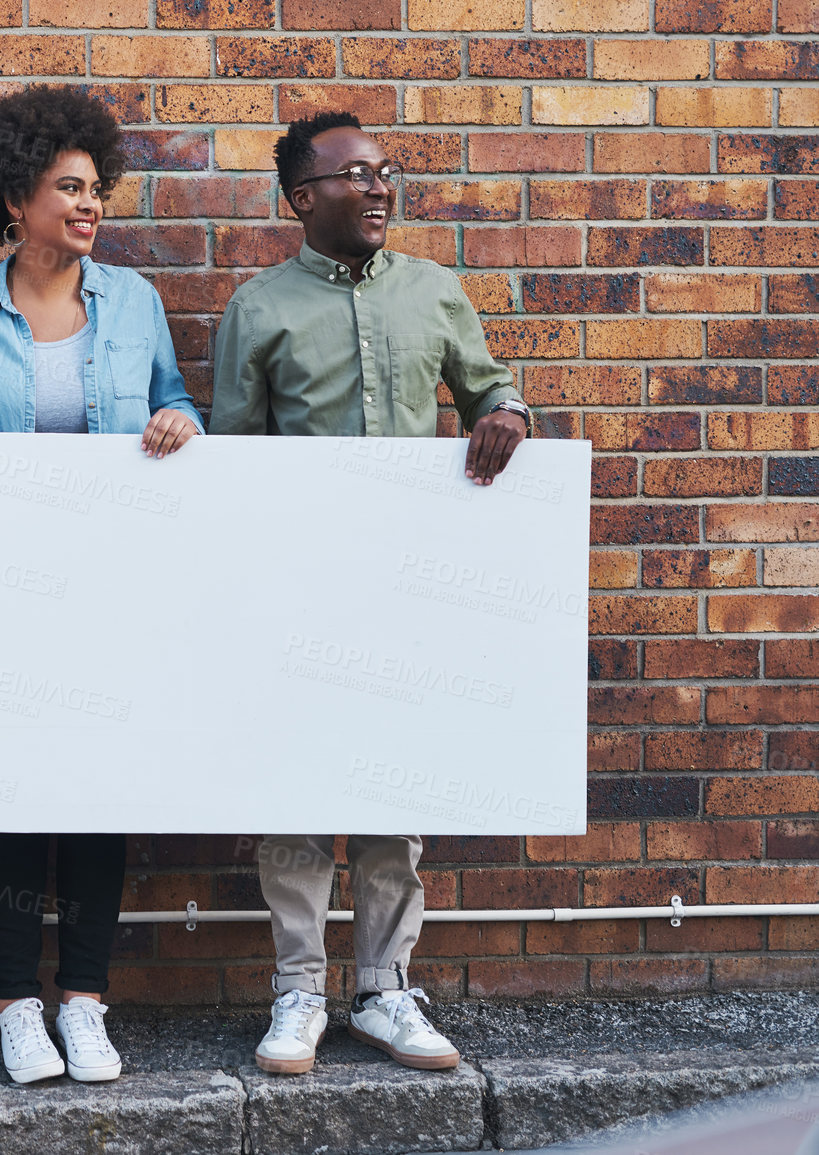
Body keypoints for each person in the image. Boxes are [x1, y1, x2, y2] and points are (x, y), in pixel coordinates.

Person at [209, 112, 532, 1077]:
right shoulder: (257, 307)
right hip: (300, 588)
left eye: (385, 172)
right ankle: (299, 990)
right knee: (300, 789)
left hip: (411, 585)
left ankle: (386, 988)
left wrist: (507, 413)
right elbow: (232, 460)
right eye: (354, 175)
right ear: (302, 199)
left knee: (397, 784)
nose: (378, 187)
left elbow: (489, 391)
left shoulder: (435, 292)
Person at [0, 85, 203, 1086]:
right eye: (68, 187)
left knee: (93, 795)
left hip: (110, 594)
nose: (91, 205)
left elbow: (173, 403)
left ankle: (84, 1001)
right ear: (15, 197)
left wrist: (179, 424)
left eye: (96, 188)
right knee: (9, 797)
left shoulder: (135, 304)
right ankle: (15, 1007)